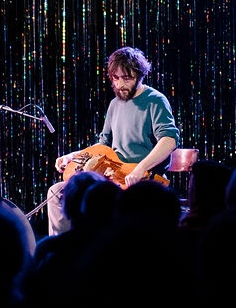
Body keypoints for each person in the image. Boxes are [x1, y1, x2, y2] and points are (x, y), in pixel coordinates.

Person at [46, 46, 181, 235]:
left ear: (140, 75)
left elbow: (169, 139)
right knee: (57, 192)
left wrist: (140, 168)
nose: (120, 84)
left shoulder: (155, 100)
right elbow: (103, 145)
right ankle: (66, 247)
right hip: (111, 177)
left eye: (126, 78)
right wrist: (73, 157)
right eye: (115, 78)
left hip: (142, 179)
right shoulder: (114, 104)